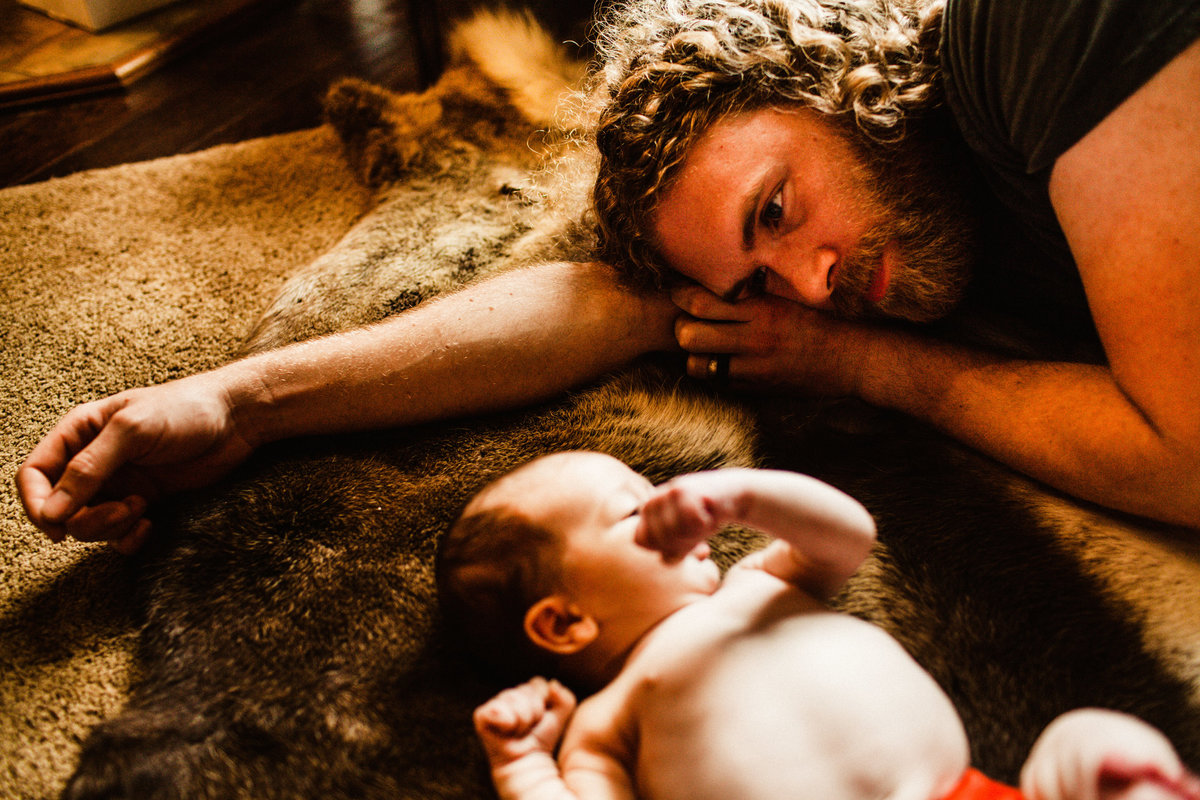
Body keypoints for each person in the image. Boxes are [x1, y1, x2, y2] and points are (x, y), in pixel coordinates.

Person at [16, 0, 1200, 550]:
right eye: (759, 279)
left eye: (777, 208)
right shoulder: (893, 216)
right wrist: (240, 399)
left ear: (833, 74)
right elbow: (599, 305)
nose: (811, 281)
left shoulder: (1034, 32)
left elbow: (1186, 457)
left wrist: (880, 367)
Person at [438, 451, 1200, 800]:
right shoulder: (604, 725)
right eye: (635, 508)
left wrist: (740, 496)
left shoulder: (755, 586)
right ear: (564, 621)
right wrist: (524, 766)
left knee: (1083, 744)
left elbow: (849, 536)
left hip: (969, 792)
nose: (672, 499)